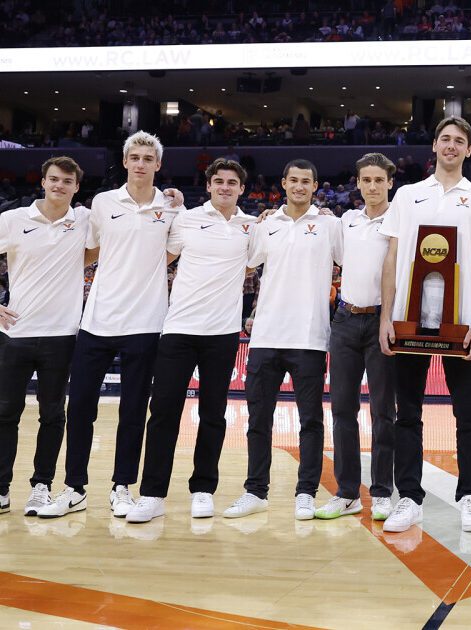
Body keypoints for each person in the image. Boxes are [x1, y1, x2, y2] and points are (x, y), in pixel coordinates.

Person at [40, 132, 187, 519]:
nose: (140, 163)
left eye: (147, 158)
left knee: (134, 411)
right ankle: (74, 488)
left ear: (159, 165)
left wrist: (180, 204)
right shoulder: (102, 203)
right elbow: (85, 253)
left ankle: (122, 487)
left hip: (145, 322)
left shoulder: (172, 209)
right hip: (96, 321)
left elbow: (171, 255)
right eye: (134, 156)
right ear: (125, 162)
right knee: (81, 408)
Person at [379, 117, 471, 534]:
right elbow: (392, 258)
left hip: (459, 324)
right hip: (409, 323)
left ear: (468, 150)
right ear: (433, 145)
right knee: (406, 414)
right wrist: (386, 317)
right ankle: (408, 497)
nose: (451, 145)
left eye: (459, 141)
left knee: (468, 417)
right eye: (444, 138)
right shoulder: (408, 195)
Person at [126, 159, 257, 524]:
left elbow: (260, 261)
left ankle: (203, 489)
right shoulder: (184, 219)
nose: (225, 187)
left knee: (213, 414)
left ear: (242, 189)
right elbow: (157, 256)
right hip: (179, 329)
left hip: (223, 333)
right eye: (219, 181)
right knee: (164, 412)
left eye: (232, 182)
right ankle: (152, 494)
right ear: (209, 185)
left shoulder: (251, 227)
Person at [222, 159, 343, 521]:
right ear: (284, 183)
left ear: (316, 186)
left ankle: (305, 492)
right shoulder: (267, 225)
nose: (300, 186)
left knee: (310, 421)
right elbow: (245, 262)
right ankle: (255, 491)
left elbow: (352, 263)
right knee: (258, 419)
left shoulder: (330, 225)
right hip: (266, 335)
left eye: (307, 181)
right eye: (294, 180)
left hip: (309, 337)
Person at [0, 157, 89, 517]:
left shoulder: (83, 220)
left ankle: (41, 486)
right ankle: (1, 489)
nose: (59, 186)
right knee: (5, 413)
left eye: (67, 181)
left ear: (76, 187)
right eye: (53, 179)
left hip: (62, 335)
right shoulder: (12, 219)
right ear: (42, 181)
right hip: (15, 332)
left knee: (52, 415)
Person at [313, 153, 398, 522]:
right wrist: (267, 214)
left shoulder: (401, 221)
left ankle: (381, 492)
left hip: (383, 321)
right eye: (366, 180)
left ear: (389, 183)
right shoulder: (345, 220)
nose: (373, 186)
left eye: (379, 180)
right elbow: (308, 222)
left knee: (383, 412)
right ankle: (347, 492)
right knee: (342, 409)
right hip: (346, 320)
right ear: (358, 183)